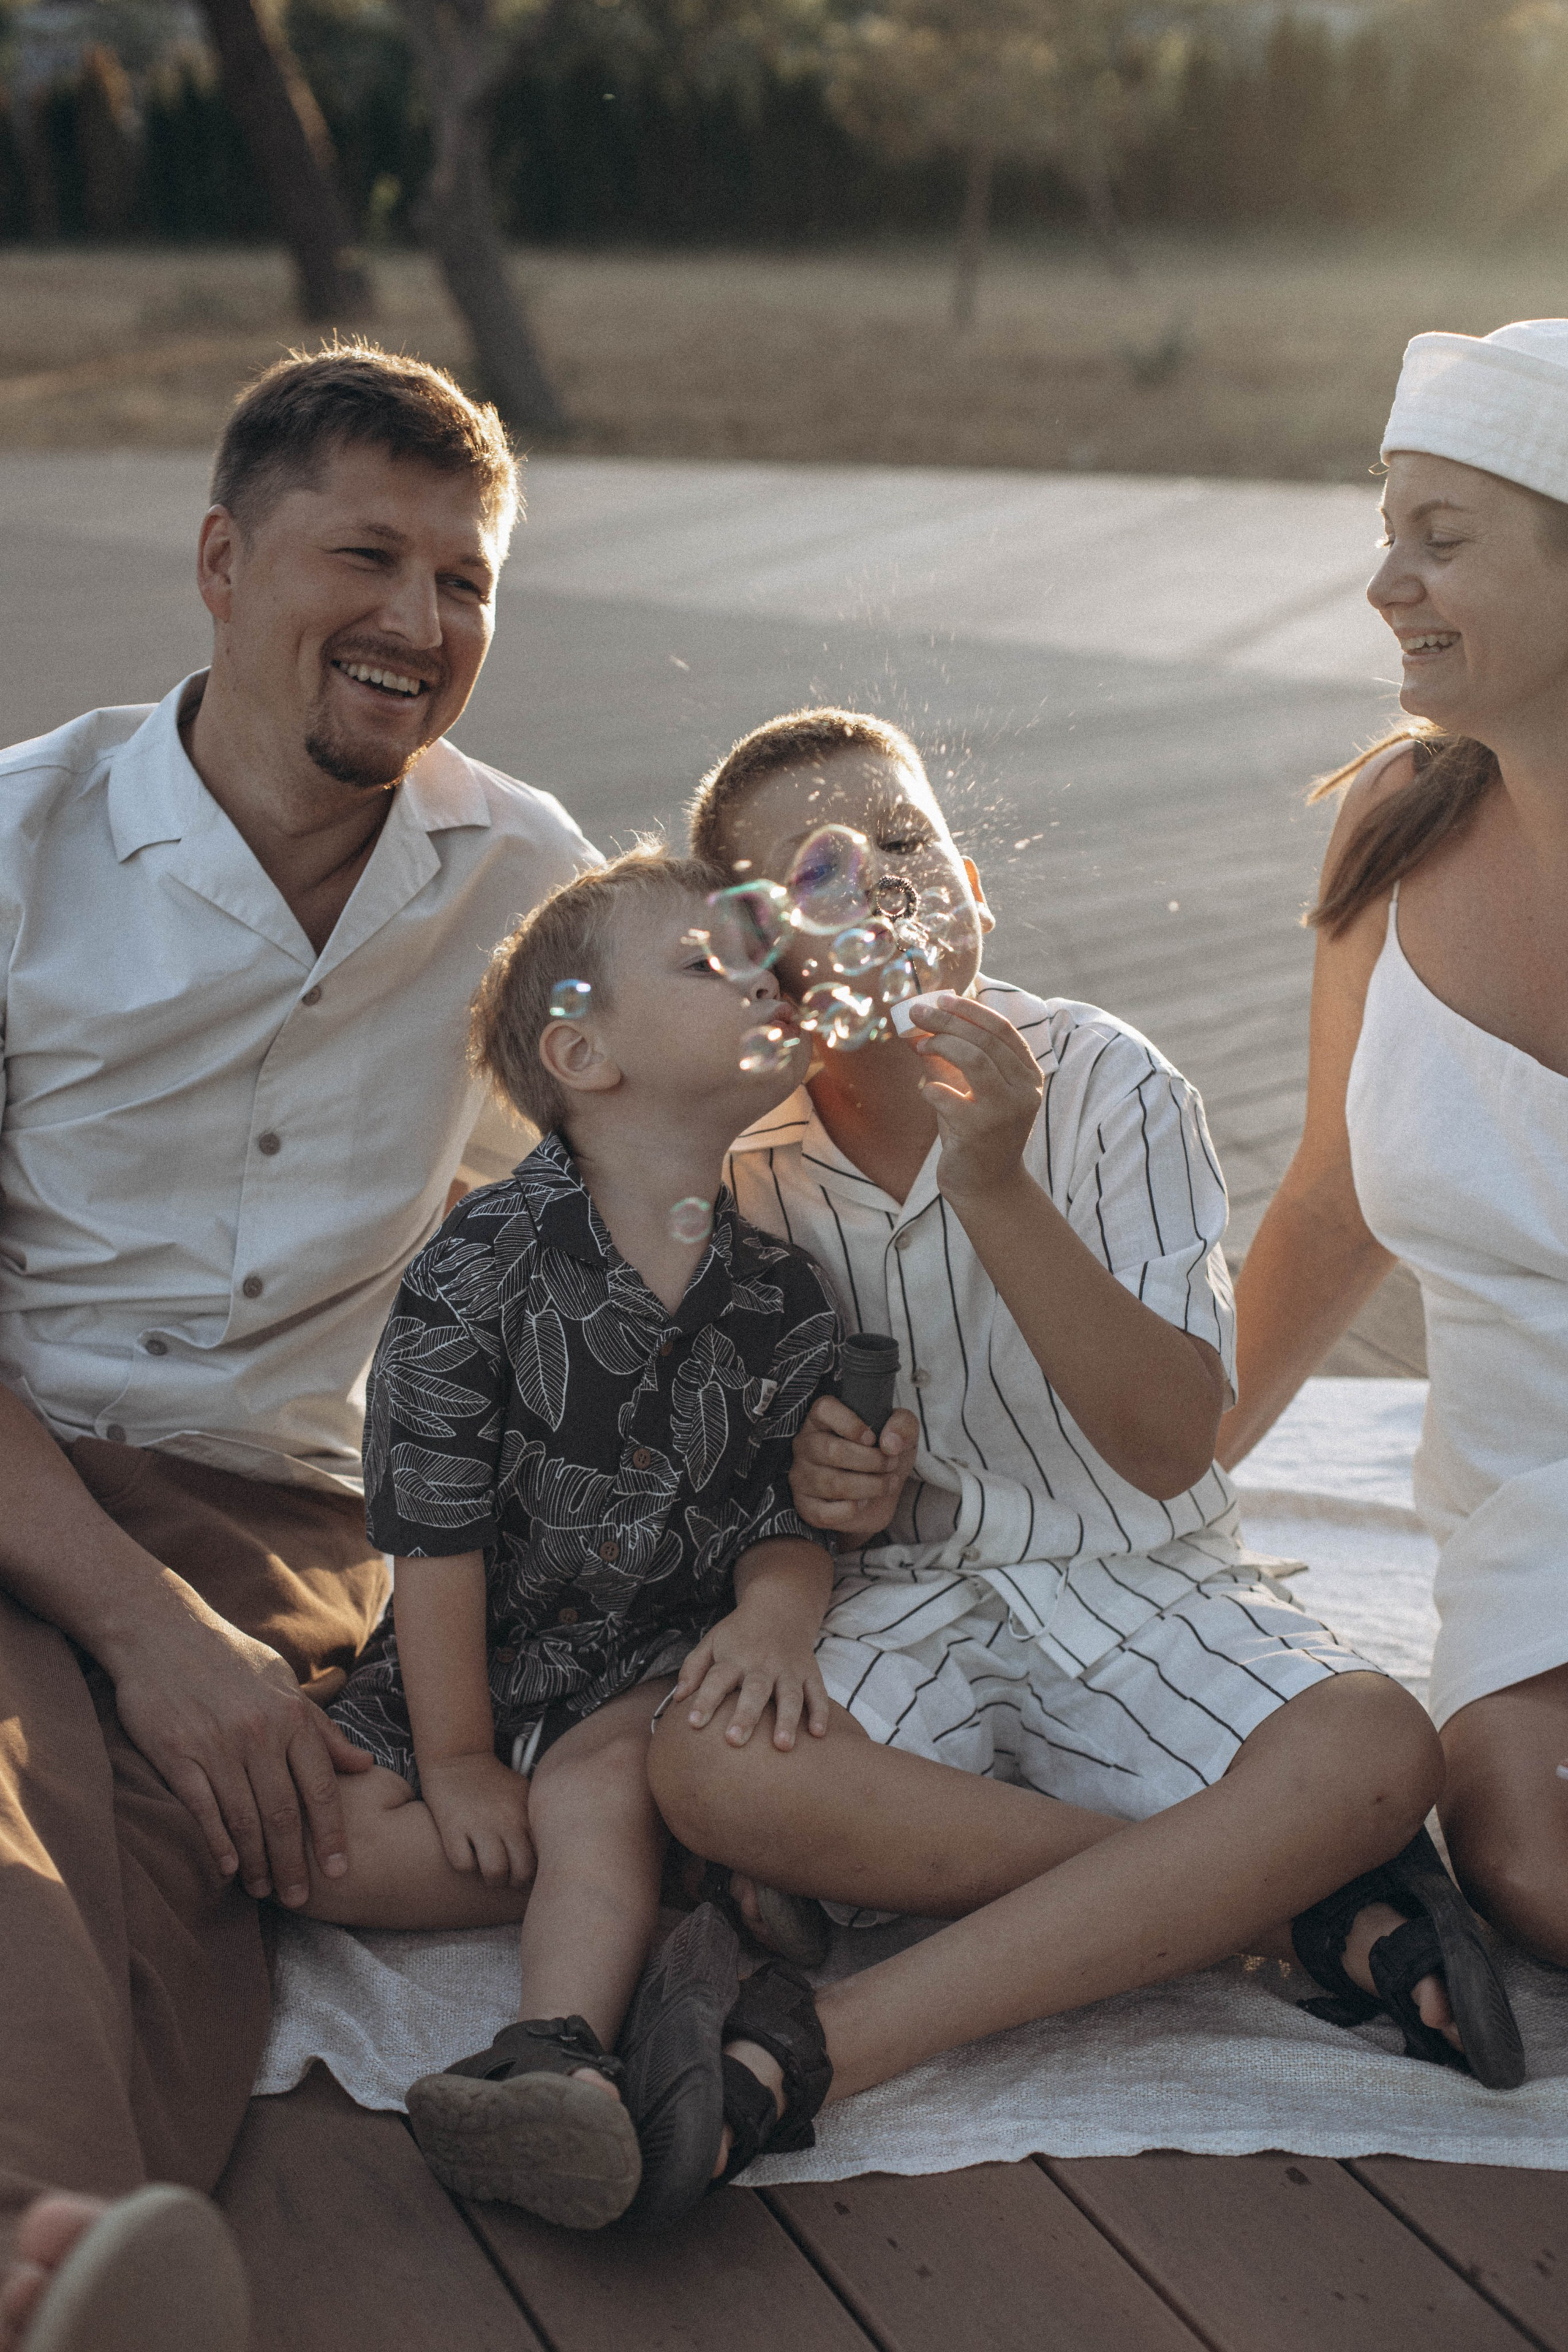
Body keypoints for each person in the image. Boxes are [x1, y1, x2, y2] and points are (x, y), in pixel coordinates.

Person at [629, 706, 1525, 2183]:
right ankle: (1286, 1908)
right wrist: (808, 1485)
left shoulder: (1109, 1085)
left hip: (1138, 1578)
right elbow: (726, 1449)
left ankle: (825, 2039)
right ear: (762, 966)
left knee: (1374, 1746)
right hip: (903, 1593)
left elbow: (1171, 1444)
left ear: (974, 888)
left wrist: (997, 1186)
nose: (879, 891)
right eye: (812, 883)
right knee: (713, 1769)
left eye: (903, 846)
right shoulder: (746, 1159)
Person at [0, 344, 596, 2352]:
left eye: (468, 580)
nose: (422, 627)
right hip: (19, 1461)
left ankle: (62, 2268)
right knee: (18, 1768)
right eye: (370, 556)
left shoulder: (519, 870)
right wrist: (147, 1632)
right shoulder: (16, 845)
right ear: (222, 563)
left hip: (288, 1500)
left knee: (196, 1839)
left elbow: (675, 1158)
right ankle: (54, 2248)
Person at [300, 850, 842, 2232]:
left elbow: (789, 1510)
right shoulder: (475, 1266)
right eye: (708, 965)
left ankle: (550, 2051)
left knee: (598, 1790)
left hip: (645, 1669)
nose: (764, 982)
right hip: (476, 1645)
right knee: (329, 1854)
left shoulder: (781, 1290)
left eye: (768, 963)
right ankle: (684, 1910)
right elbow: (430, 1538)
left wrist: (778, 1609)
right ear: (583, 1054)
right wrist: (464, 1758)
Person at [1217, 319, 1568, 1974]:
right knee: (1532, 1863)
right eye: (1385, 531)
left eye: (1443, 540)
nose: (1383, 586)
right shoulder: (1397, 822)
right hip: (1526, 1508)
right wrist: (1154, 1478)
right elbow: (1330, 1207)